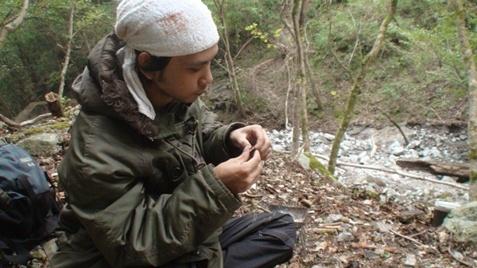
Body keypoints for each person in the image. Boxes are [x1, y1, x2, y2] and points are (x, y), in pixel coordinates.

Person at [51, 0, 297, 267]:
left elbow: (200, 132)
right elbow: (132, 245)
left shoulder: (173, 92)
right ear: (147, 64)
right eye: (195, 68)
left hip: (182, 231)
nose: (208, 79)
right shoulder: (95, 149)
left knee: (280, 230)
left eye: (210, 63)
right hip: (119, 256)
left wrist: (230, 139)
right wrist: (217, 189)